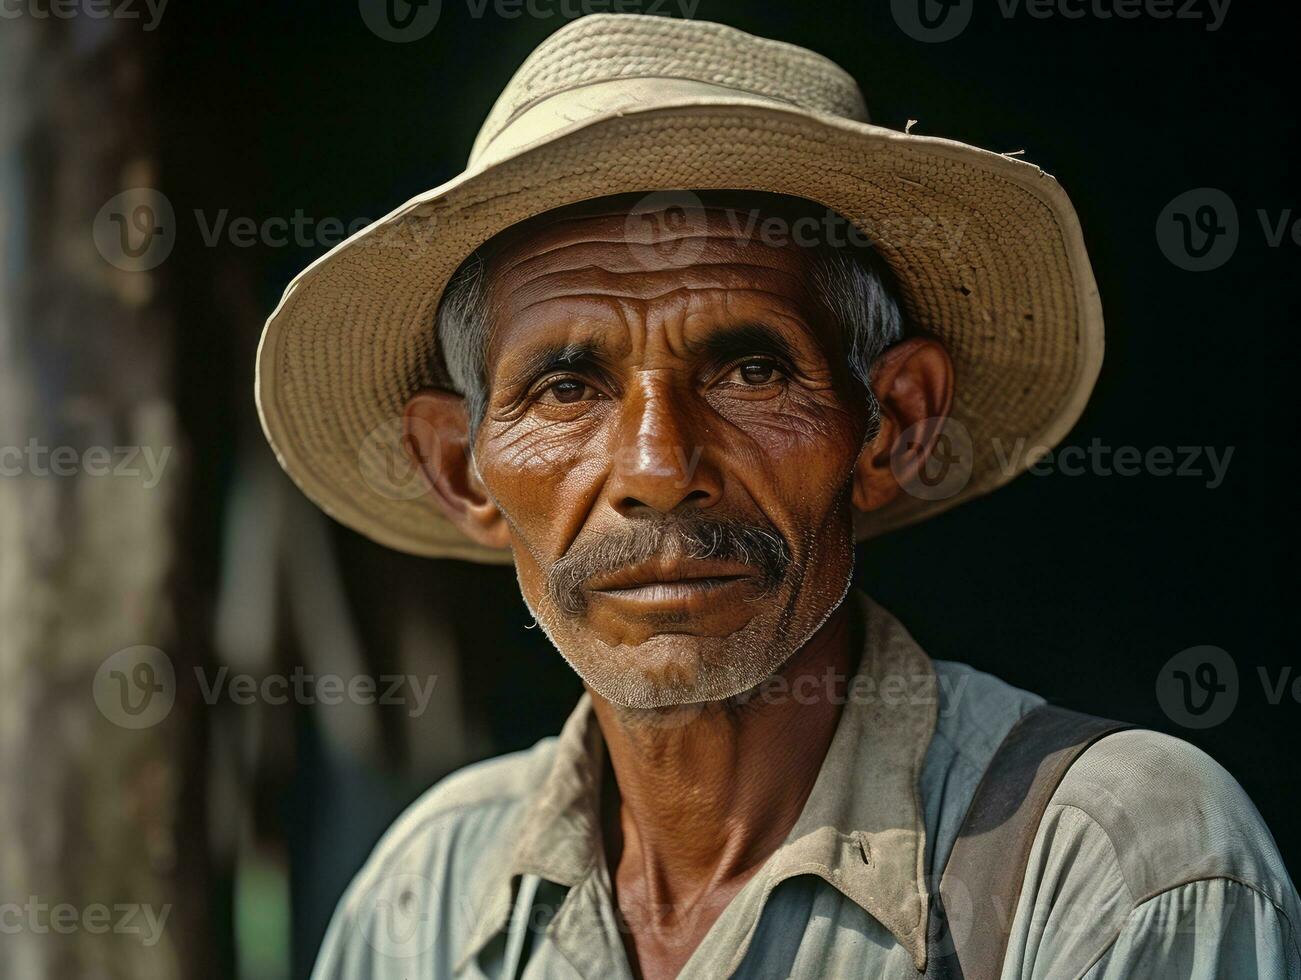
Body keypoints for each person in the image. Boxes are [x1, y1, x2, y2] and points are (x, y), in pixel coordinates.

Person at [255, 14, 1300, 979]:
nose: (659, 467)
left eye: (747, 371)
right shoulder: (425, 897)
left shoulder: (1112, 860)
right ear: (461, 470)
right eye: (567, 387)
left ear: (890, 423)